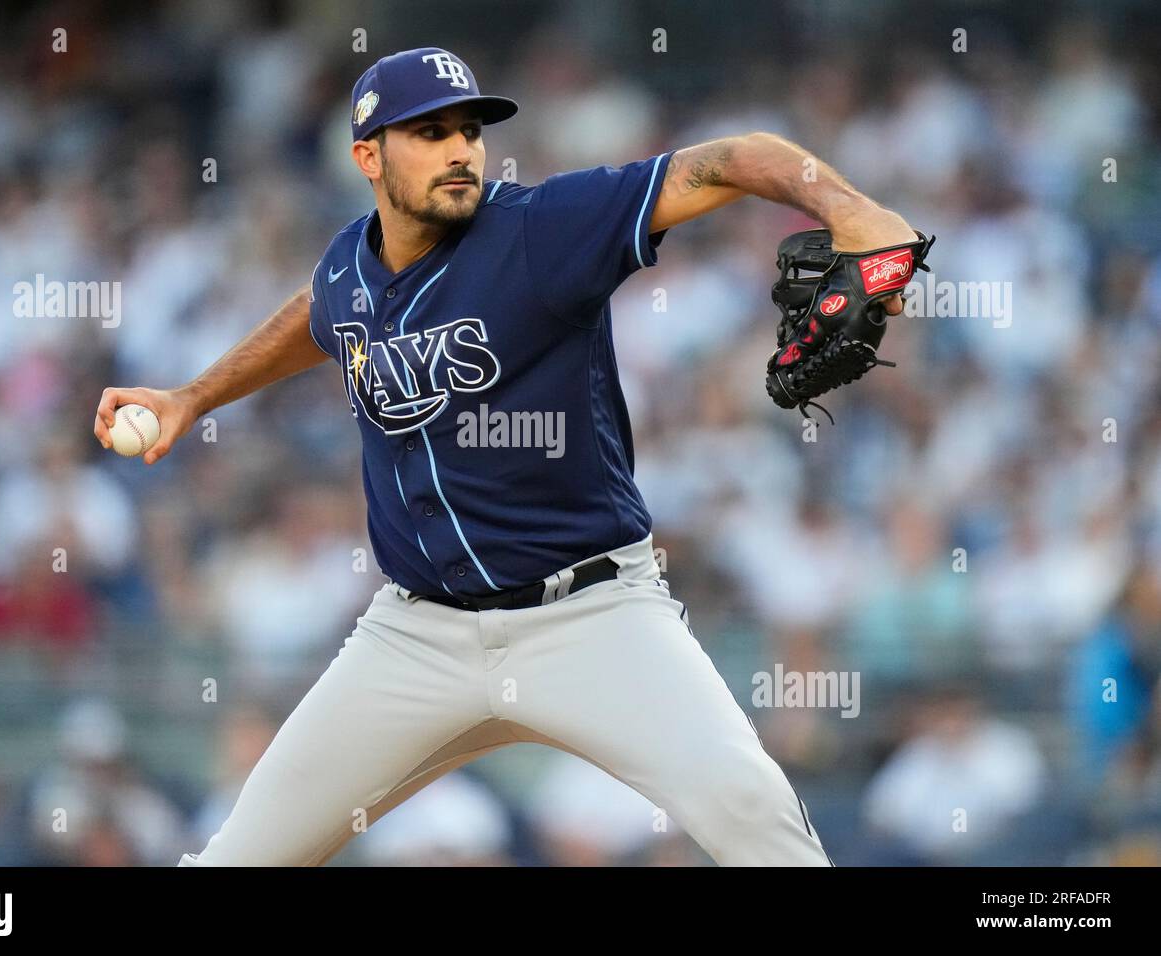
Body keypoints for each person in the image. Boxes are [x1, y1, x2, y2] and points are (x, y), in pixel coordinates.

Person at [94, 47, 918, 866]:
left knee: (760, 826)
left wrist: (853, 213)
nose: (460, 150)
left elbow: (740, 158)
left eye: (469, 131)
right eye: (429, 133)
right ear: (367, 157)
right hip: (414, 639)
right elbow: (318, 314)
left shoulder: (543, 229)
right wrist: (191, 398)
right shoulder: (349, 264)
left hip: (591, 617)